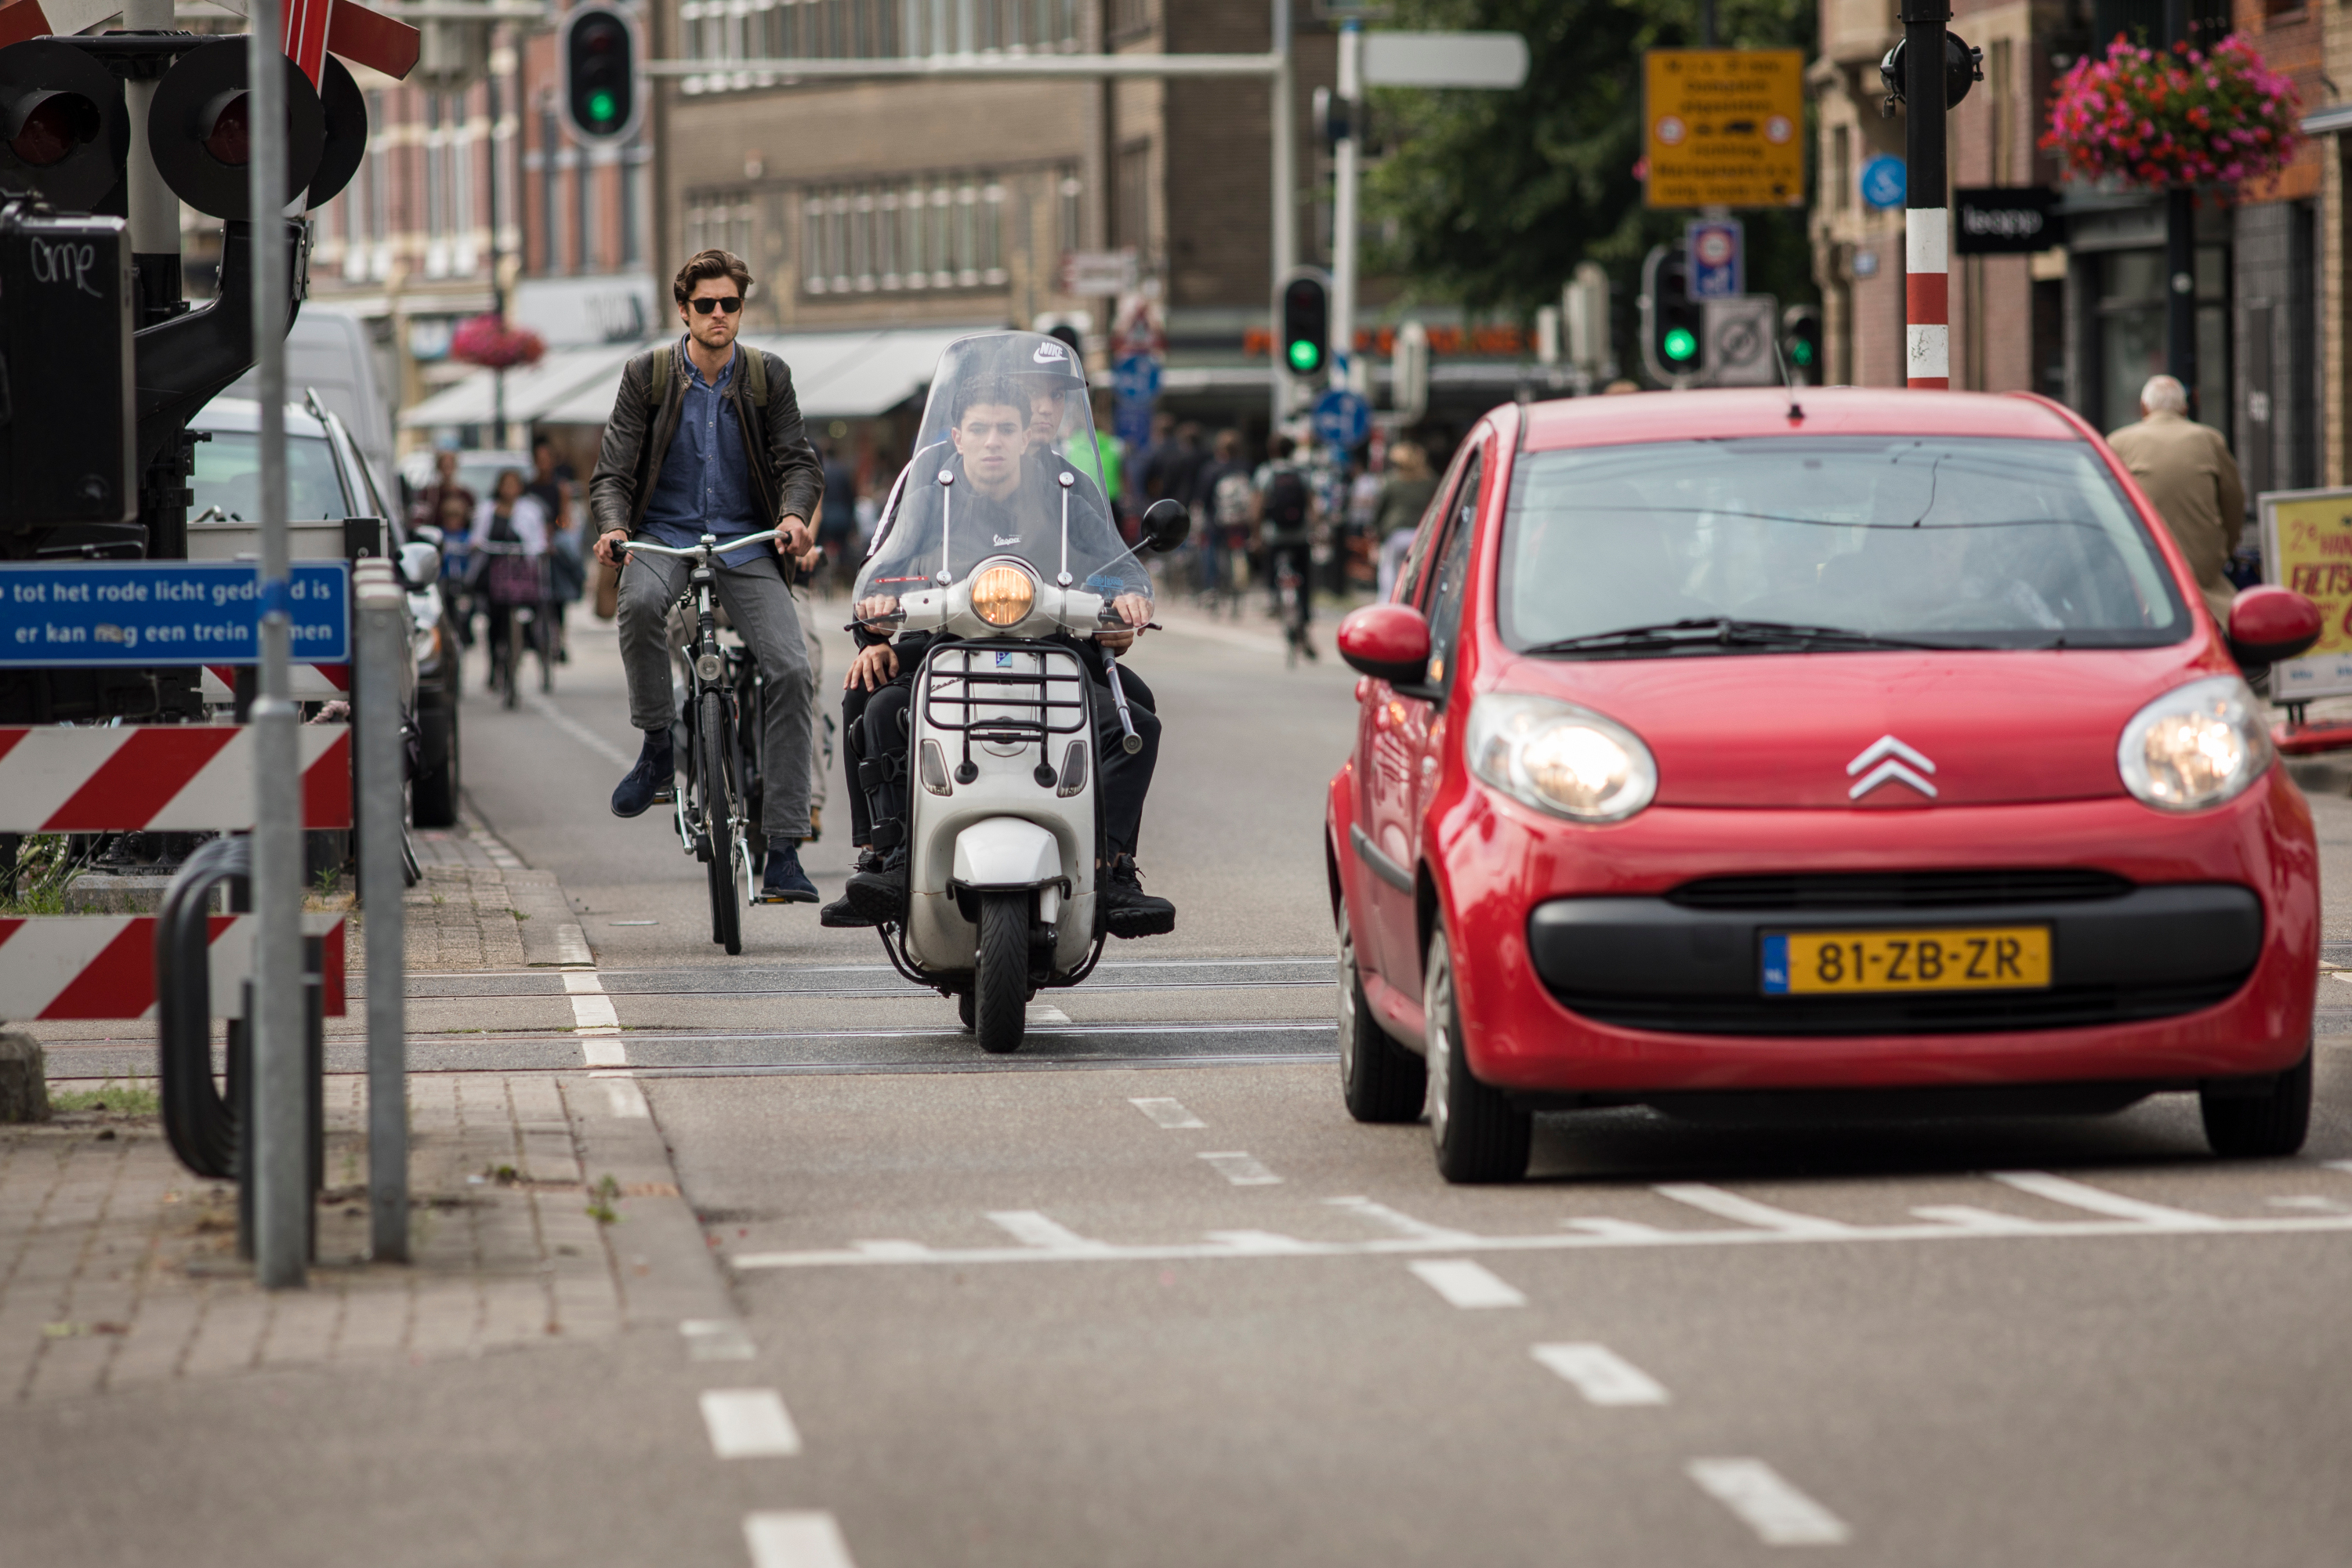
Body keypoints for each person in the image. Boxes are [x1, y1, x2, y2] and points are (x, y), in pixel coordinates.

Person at [825, 361, 1175, 939]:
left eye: (1006, 428)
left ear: (1025, 433)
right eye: (980, 429)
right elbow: (881, 566)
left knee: (1138, 719)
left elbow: (1111, 562)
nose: (994, 440)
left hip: (1050, 643)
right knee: (872, 698)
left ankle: (1110, 866)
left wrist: (1126, 602)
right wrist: (872, 634)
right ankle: (885, 857)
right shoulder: (927, 493)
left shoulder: (1067, 492)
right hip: (945, 641)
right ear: (957, 435)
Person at [589, 248, 825, 906]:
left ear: (741, 309)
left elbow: (798, 462)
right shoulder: (647, 375)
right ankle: (657, 748)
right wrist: (613, 527)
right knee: (639, 605)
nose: (718, 314)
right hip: (664, 536)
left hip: (746, 542)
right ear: (684, 310)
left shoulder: (767, 376)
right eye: (705, 304)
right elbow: (612, 472)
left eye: (730, 304)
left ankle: (784, 848)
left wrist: (793, 516)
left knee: (791, 669)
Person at [2106, 373, 2247, 624]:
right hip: (2202, 575)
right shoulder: (2210, 440)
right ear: (2184, 409)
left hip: (2141, 575)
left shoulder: (2118, 443)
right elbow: (2234, 506)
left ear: (2144, 408)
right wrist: (2223, 551)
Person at [473, 470, 549, 690]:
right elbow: (477, 538)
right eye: (505, 484)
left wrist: (541, 549)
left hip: (522, 573)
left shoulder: (530, 511)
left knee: (529, 613)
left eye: (513, 484)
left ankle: (524, 644)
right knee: (493, 618)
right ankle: (494, 663)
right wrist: (476, 545)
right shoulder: (486, 510)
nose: (509, 489)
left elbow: (539, 540)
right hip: (494, 572)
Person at [1256, 433, 1319, 657]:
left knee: (1271, 566)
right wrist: (1315, 530)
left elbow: (1257, 506)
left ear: (1272, 451)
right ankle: (1305, 615)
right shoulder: (1302, 472)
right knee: (1304, 576)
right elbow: (1312, 504)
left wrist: (1256, 534)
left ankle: (1273, 600)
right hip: (1300, 535)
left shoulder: (1266, 472)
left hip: (1275, 534)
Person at [1372, 440, 1438, 600]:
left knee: (1389, 576)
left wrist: (1376, 533)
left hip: (1396, 534)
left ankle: (1388, 606)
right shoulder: (1432, 482)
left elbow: (1380, 510)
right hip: (1422, 534)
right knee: (1419, 577)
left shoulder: (1391, 482)